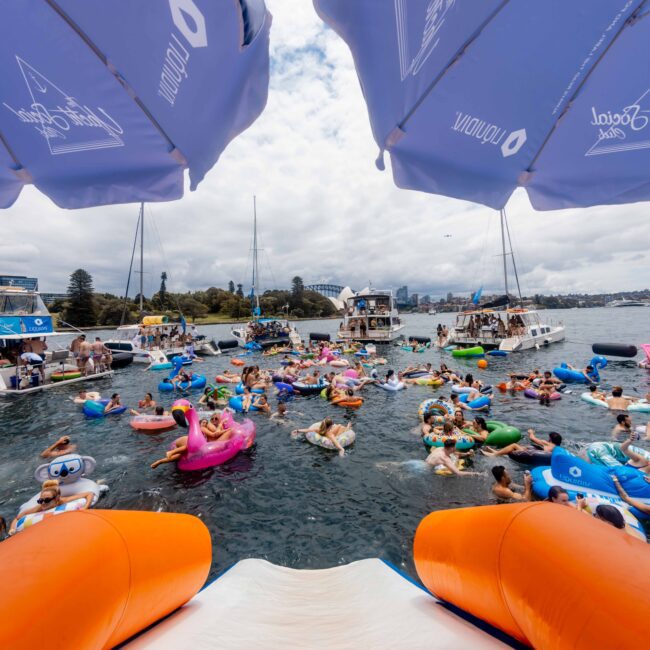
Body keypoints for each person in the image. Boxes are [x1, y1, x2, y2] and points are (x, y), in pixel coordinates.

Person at [8, 479, 93, 535]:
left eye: (47, 500)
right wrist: (12, 529)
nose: (43, 503)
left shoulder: (63, 501)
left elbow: (89, 493)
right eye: (40, 500)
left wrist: (85, 507)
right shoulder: (39, 508)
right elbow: (17, 518)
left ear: (56, 499)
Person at [482, 429, 562, 456]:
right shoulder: (557, 448)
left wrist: (531, 432)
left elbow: (532, 438)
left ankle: (494, 455)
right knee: (524, 447)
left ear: (550, 439)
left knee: (514, 445)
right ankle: (497, 452)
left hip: (532, 455)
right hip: (537, 454)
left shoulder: (547, 443)